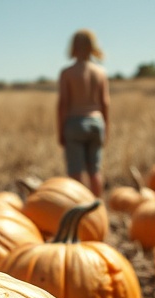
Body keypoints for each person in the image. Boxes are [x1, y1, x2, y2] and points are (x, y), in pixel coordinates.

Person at [57, 29, 110, 197]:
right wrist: (106, 129)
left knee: (75, 172)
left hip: (74, 123)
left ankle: (79, 208)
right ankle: (98, 208)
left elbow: (63, 104)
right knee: (95, 171)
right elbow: (105, 103)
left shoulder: (67, 73)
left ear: (73, 47)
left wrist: (60, 130)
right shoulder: (100, 72)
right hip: (96, 122)